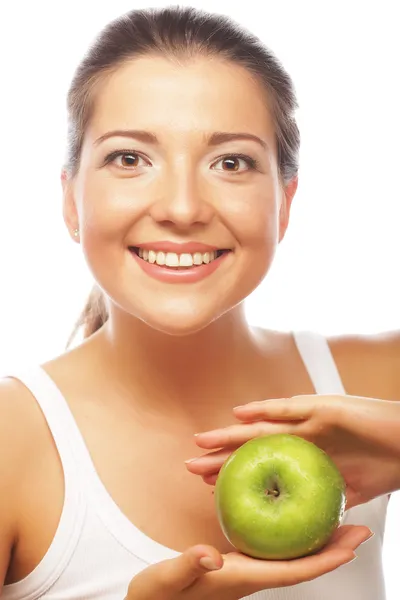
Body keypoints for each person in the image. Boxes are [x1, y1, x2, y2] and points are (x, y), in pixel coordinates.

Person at [0, 5, 398, 600]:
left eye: (230, 162)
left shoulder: (375, 380)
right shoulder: (12, 442)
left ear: (284, 203)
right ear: (72, 201)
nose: (182, 208)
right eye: (129, 158)